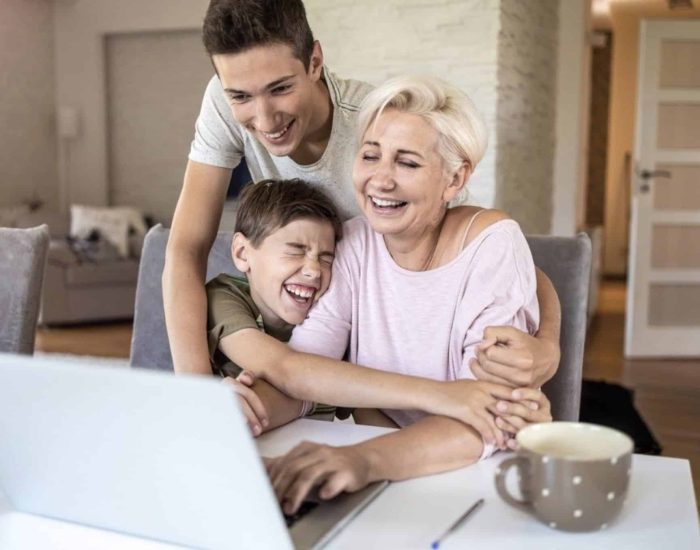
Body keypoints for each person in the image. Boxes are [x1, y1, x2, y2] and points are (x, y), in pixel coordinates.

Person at [164, 0, 562, 387]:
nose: (265, 119)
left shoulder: (381, 132)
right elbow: (186, 247)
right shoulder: (223, 99)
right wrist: (195, 393)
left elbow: (491, 259)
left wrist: (547, 345)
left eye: (281, 88)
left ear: (315, 62)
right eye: (241, 96)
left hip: (360, 358)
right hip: (303, 344)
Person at [264, 75, 552, 515]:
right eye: (371, 155)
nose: (380, 180)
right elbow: (307, 371)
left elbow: (490, 417)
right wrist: (248, 410)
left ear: (454, 178)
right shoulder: (355, 241)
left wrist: (361, 460)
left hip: (472, 481)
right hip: (377, 471)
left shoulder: (492, 242)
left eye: (408, 163)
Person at [207, 177, 534, 446]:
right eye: (295, 251)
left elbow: (364, 405)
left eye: (326, 257)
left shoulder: (333, 308)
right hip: (226, 440)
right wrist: (444, 396)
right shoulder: (226, 297)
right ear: (241, 252)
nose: (313, 270)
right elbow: (288, 370)